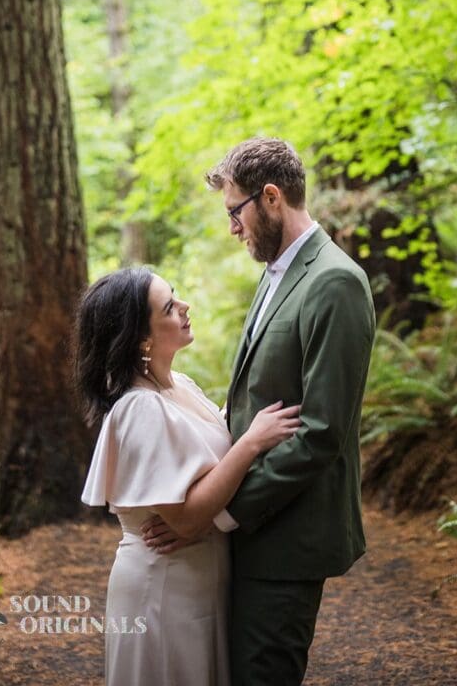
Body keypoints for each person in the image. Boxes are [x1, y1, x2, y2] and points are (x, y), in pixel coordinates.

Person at [143, 137, 376, 686]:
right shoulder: (277, 271)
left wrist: (215, 515)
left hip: (287, 538)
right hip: (252, 532)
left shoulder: (335, 282)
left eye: (234, 211)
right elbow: (257, 397)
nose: (232, 227)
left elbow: (320, 433)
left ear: (271, 198)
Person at [75, 266, 300, 686]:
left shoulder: (180, 386)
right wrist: (251, 443)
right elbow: (185, 519)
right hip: (162, 590)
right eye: (168, 306)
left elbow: (211, 470)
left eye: (175, 294)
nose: (184, 306)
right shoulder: (138, 408)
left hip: (197, 581)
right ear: (142, 337)